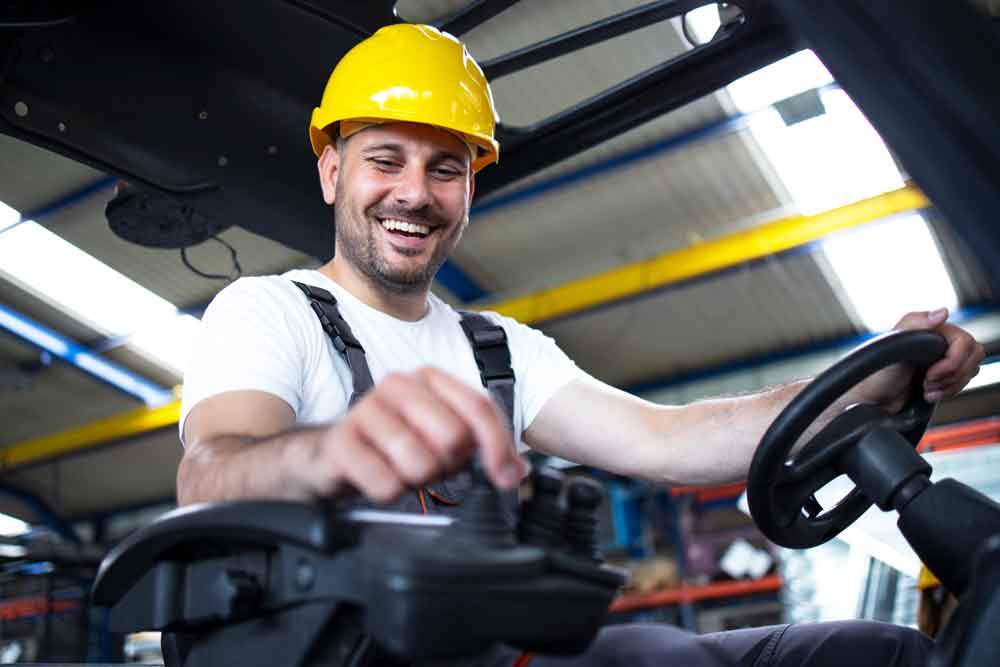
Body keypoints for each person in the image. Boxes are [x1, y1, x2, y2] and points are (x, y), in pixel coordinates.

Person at [177, 23, 986, 667]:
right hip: (355, 650)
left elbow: (671, 440)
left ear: (470, 187)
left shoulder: (498, 349)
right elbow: (210, 471)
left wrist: (867, 387)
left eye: (446, 169)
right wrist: (330, 454)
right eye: (384, 160)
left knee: (872, 651)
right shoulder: (269, 312)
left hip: (501, 649)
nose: (414, 193)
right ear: (330, 170)